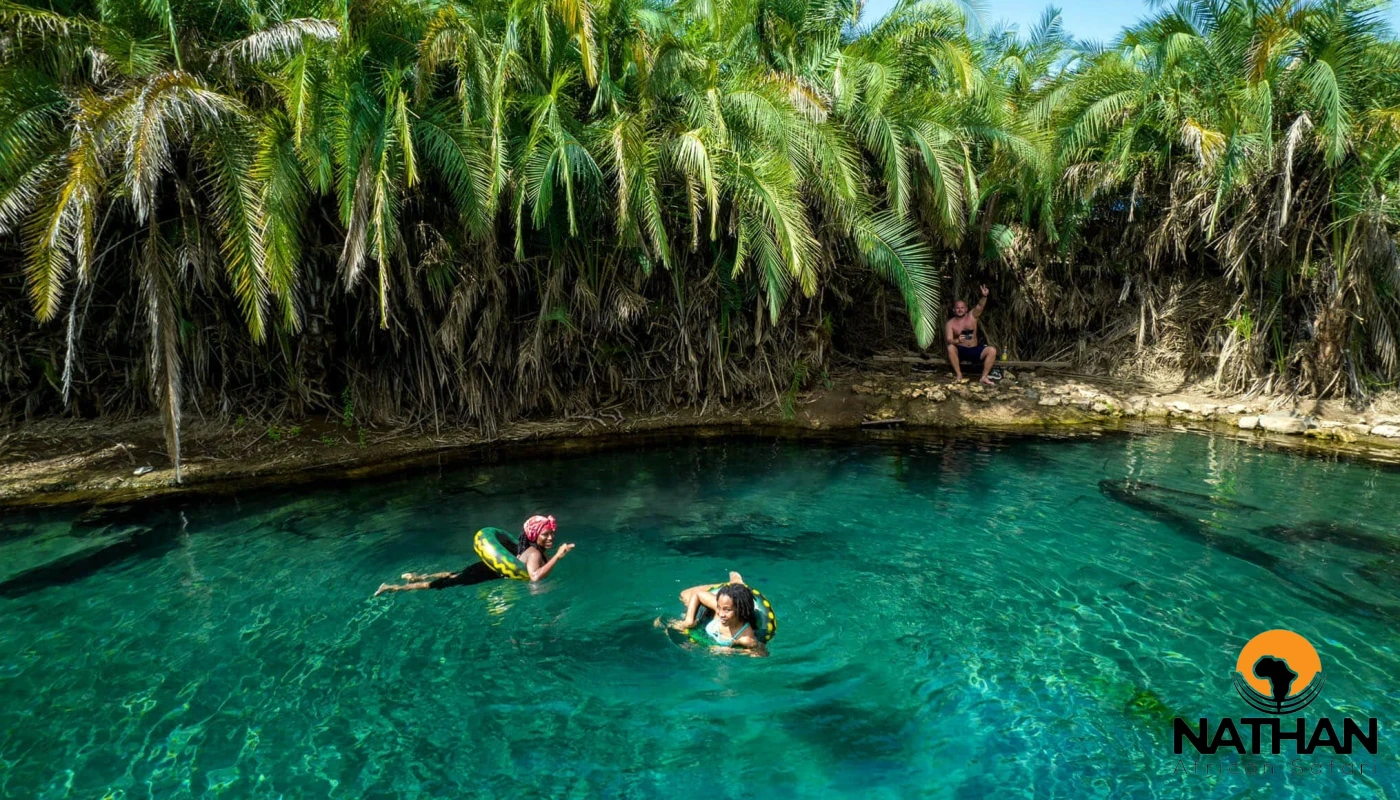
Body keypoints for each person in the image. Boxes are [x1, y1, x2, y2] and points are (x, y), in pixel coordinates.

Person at [374, 515, 574, 596]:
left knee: (453, 574)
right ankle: (392, 588)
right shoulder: (534, 554)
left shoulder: (530, 548)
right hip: (486, 574)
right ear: (534, 535)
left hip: (488, 568)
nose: (550, 537)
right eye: (545, 534)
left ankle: (417, 576)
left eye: (551, 533)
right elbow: (535, 577)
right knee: (441, 584)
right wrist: (557, 556)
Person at [659, 571, 767, 655]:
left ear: (740, 610)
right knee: (683, 595)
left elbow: (761, 654)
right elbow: (697, 593)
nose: (721, 614)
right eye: (719, 608)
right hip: (708, 615)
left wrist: (732, 651)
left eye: (727, 610)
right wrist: (689, 621)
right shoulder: (721, 608)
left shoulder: (745, 637)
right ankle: (732, 584)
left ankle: (736, 584)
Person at [945, 284, 999, 385]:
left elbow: (980, 306)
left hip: (974, 349)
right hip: (960, 350)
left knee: (992, 350)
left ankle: (984, 377)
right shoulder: (950, 323)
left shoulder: (972, 316)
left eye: (962, 308)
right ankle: (959, 375)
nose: (960, 310)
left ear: (966, 309)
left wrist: (984, 296)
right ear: (954, 310)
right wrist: (957, 340)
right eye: (957, 308)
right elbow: (949, 339)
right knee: (950, 347)